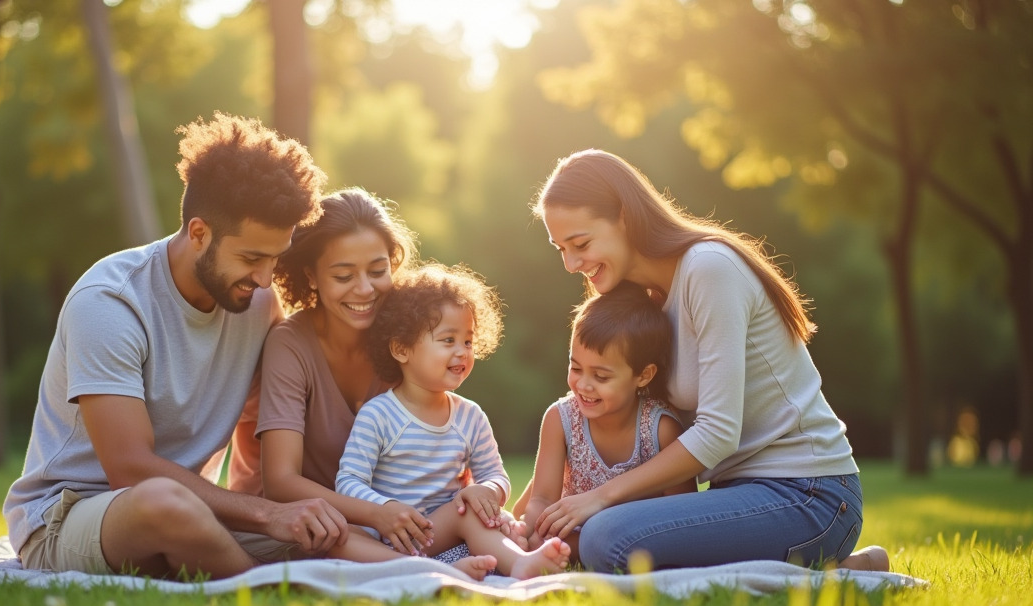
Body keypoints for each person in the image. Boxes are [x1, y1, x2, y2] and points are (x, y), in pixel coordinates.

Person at [3, 113, 348, 580]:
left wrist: (282, 510)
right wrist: (267, 517)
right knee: (165, 505)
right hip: (69, 517)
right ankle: (263, 593)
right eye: (251, 258)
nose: (267, 279)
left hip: (196, 513)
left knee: (327, 525)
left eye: (274, 259)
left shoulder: (258, 302)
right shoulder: (110, 301)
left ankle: (421, 570)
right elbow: (129, 468)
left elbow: (257, 422)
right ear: (199, 233)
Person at [531, 148, 889, 574]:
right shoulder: (641, 305)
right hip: (735, 493)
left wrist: (600, 497)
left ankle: (826, 564)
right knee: (600, 535)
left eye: (581, 244)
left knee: (606, 537)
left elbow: (718, 432)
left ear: (624, 217)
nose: (571, 264)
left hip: (810, 493)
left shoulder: (708, 270)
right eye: (561, 249)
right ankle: (845, 569)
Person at [247, 188, 493, 577]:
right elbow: (280, 481)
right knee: (333, 537)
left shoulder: (404, 338)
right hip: (313, 523)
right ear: (311, 276)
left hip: (395, 523)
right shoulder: (290, 343)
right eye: (344, 275)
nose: (364, 290)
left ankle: (434, 566)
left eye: (378, 271)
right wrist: (377, 514)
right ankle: (427, 572)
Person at [336, 263, 572, 579]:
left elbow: (497, 476)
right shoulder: (378, 415)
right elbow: (348, 482)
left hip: (440, 531)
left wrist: (485, 491)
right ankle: (434, 569)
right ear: (401, 348)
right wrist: (385, 509)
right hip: (384, 536)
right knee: (336, 537)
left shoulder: (470, 416)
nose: (462, 352)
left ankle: (518, 563)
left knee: (476, 512)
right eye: (448, 340)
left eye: (468, 341)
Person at [511, 282, 695, 560]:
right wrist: (532, 530)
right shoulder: (560, 419)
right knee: (531, 533)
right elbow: (542, 499)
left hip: (627, 535)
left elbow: (680, 513)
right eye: (575, 368)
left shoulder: (660, 430)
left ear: (643, 375)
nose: (583, 385)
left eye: (601, 376)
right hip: (565, 527)